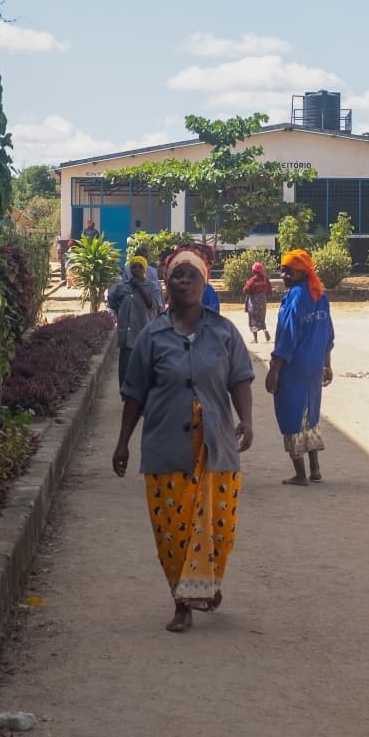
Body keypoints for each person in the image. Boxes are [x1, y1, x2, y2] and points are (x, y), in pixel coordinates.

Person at [112, 246, 255, 633]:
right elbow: (135, 393)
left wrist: (248, 421)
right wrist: (123, 441)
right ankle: (182, 601)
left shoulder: (224, 332)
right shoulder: (151, 336)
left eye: (193, 276)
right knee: (172, 531)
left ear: (204, 282)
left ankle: (207, 585)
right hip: (166, 448)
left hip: (216, 448)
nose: (186, 282)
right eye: (179, 276)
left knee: (218, 529)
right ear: (168, 284)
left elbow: (240, 378)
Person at [265, 249, 334, 486]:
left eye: (288, 271)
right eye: (282, 270)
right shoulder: (320, 296)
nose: (283, 275)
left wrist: (275, 368)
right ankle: (315, 469)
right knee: (310, 415)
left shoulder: (295, 297)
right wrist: (327, 365)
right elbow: (328, 335)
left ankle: (301, 474)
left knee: (290, 416)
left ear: (302, 273)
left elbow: (287, 336)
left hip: (293, 368)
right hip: (314, 367)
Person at [107, 256, 159, 391]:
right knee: (125, 369)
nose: (136, 269)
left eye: (139, 267)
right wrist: (121, 313)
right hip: (127, 335)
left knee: (144, 369)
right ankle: (127, 396)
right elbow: (112, 302)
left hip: (144, 333)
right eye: (133, 267)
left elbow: (152, 305)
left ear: (145, 269)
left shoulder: (152, 286)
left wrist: (139, 287)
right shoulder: (123, 287)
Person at [242, 261, 272, 343]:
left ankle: (255, 339)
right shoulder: (265, 279)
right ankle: (264, 329)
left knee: (253, 319)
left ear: (254, 271)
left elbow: (245, 290)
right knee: (261, 317)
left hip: (253, 301)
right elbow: (269, 289)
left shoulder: (253, 279)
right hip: (262, 300)